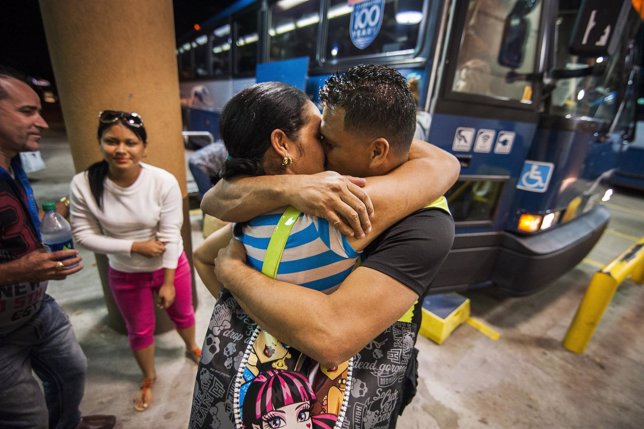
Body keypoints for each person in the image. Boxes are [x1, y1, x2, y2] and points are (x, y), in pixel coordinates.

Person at [190, 65, 458, 428]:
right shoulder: (311, 201)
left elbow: (331, 337)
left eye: (328, 141)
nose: (323, 152)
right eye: (318, 136)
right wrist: (292, 188)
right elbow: (215, 200)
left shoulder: (420, 221)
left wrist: (237, 276)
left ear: (378, 150)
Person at [0, 66, 115, 429]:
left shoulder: (14, 164)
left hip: (37, 310)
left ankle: (68, 423)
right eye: (27, 112)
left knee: (71, 371)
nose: (43, 122)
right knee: (27, 417)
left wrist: (57, 212)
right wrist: (17, 271)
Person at [69, 110, 201, 412]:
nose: (121, 149)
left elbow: (171, 234)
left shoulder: (162, 181)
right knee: (139, 329)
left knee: (183, 313)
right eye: (111, 141)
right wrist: (134, 246)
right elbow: (83, 235)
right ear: (100, 143)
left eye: (130, 142)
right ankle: (148, 376)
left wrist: (168, 281)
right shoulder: (85, 183)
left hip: (170, 265)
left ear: (144, 147)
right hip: (125, 272)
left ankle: (191, 347)